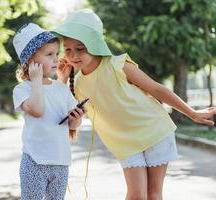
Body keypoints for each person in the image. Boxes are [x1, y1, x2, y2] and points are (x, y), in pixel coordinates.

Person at [53, 9, 216, 200]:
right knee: (137, 195)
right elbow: (65, 117)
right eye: (68, 50)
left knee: (153, 195)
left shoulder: (118, 64)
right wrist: (61, 79)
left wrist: (192, 113)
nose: (73, 55)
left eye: (80, 48)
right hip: (125, 144)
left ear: (94, 42)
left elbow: (157, 89)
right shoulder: (77, 84)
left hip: (154, 131)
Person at [12, 23, 85, 200]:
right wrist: (36, 80)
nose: (56, 59)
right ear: (31, 60)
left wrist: (76, 119)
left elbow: (72, 125)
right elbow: (37, 110)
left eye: (57, 54)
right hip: (35, 162)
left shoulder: (61, 89)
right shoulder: (23, 89)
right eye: (49, 54)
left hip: (60, 162)